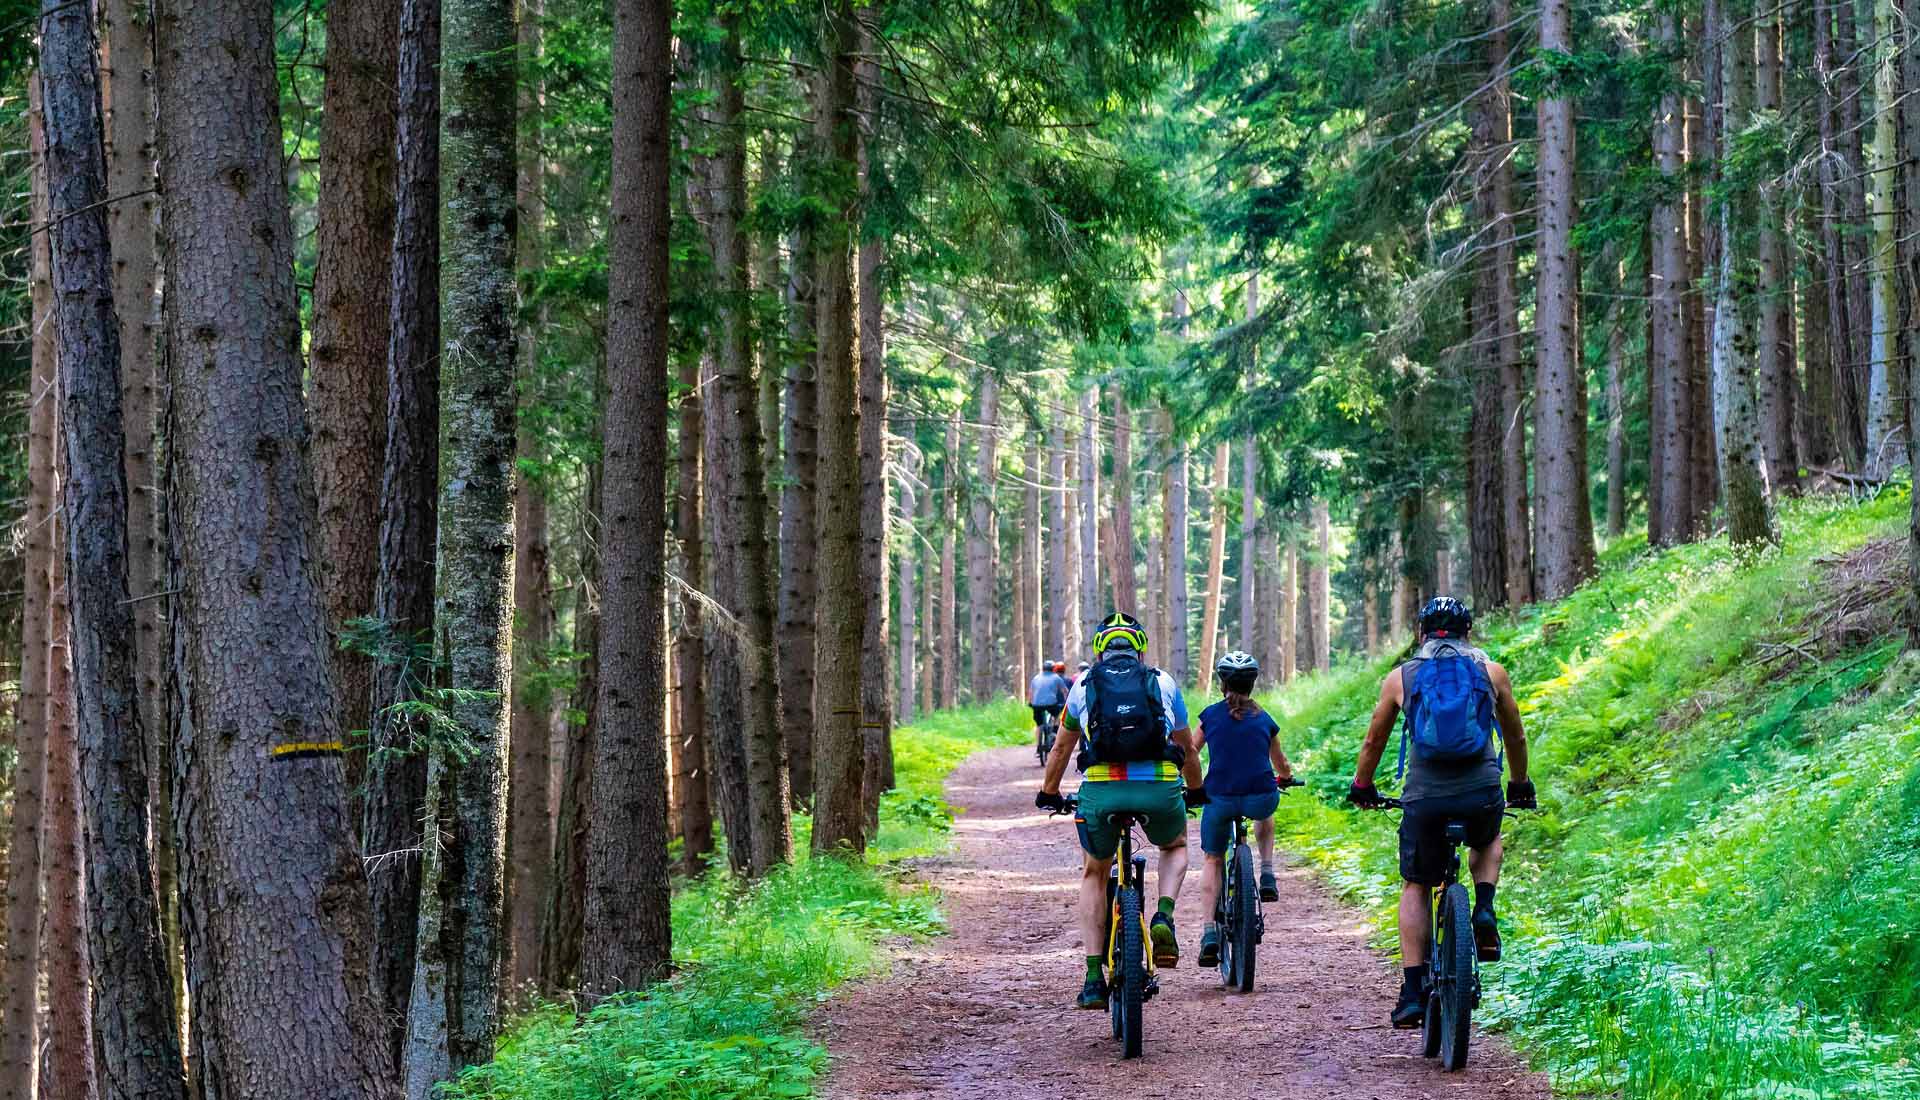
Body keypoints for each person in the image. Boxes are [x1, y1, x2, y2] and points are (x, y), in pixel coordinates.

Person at [1346, 596, 1536, 1029]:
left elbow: (1374, 741)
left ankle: (1413, 990)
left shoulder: (1401, 677)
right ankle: (1483, 907)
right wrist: (1520, 784)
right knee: (1487, 838)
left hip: (1425, 798)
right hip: (1480, 790)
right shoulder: (1491, 672)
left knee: (1416, 882)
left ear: (1421, 633)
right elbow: (1516, 735)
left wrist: (1362, 786)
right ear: (1469, 632)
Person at [1035, 613, 1203, 1010]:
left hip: (1102, 791)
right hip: (1158, 789)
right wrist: (1196, 790)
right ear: (1140, 650)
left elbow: (1061, 748)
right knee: (1175, 845)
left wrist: (1049, 792)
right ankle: (1163, 915)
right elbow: (1187, 748)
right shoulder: (1163, 682)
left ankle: (1094, 977)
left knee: (1095, 871)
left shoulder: (1082, 685)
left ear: (1100, 651)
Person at [1192, 651, 1296, 969]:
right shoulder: (1264, 719)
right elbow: (1280, 763)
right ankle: (1267, 871)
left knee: (1212, 859)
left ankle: (1209, 931)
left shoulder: (1210, 716)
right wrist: (1286, 778)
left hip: (1219, 799)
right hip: (1259, 798)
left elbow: (1191, 752)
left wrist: (1190, 785)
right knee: (1266, 807)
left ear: (1222, 684)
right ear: (1252, 684)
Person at [1027, 660, 1071, 755]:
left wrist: (1030, 702)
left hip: (1036, 705)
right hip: (1051, 704)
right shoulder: (1056, 678)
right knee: (1057, 714)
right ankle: (1054, 729)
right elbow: (1065, 691)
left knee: (1039, 725)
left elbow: (1031, 692)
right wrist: (1066, 702)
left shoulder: (1036, 678)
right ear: (1053, 669)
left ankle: (1038, 747)